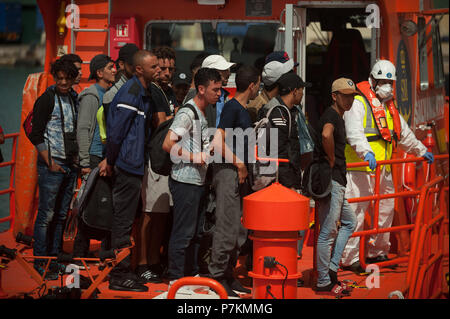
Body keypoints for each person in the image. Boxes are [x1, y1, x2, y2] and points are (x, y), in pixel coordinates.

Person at [341, 60, 434, 273]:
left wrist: (421, 151)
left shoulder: (389, 108)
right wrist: (367, 153)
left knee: (385, 211)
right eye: (383, 81)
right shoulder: (358, 103)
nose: (388, 86)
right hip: (360, 168)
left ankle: (378, 252)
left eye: (390, 82)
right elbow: (354, 132)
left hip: (384, 169)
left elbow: (403, 135)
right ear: (373, 81)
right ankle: (350, 258)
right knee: (355, 212)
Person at [101, 50, 161, 292]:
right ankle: (119, 274)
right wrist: (110, 161)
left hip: (134, 164)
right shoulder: (132, 93)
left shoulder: (143, 93)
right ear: (139, 69)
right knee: (123, 222)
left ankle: (124, 270)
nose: (159, 69)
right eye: (154, 66)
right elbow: (116, 132)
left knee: (126, 221)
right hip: (127, 165)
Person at [162, 68, 222, 289]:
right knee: (183, 233)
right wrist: (194, 156)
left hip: (197, 181)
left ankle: (191, 274)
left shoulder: (202, 111)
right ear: (201, 89)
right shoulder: (188, 113)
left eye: (220, 88)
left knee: (195, 232)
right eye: (215, 89)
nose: (219, 93)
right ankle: (176, 279)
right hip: (185, 181)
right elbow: (168, 144)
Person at [208, 65, 260, 297]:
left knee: (238, 228)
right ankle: (217, 277)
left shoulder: (240, 109)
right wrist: (239, 164)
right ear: (252, 85)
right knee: (227, 226)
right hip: (228, 172)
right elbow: (217, 143)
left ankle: (228, 275)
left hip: (239, 174)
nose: (260, 87)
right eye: (258, 84)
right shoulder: (232, 108)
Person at [28, 59, 79, 279]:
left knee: (59, 216)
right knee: (46, 216)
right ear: (54, 77)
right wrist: (49, 161)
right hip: (52, 166)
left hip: (69, 166)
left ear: (73, 78)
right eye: (59, 78)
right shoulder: (46, 99)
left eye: (67, 78)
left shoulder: (74, 99)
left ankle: (54, 258)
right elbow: (34, 132)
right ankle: (40, 261)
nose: (63, 82)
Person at [136, 46, 178, 284]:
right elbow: (161, 122)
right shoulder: (153, 91)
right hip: (155, 159)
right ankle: (142, 263)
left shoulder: (168, 92)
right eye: (161, 68)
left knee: (161, 214)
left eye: (170, 69)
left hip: (168, 161)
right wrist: (181, 115)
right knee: (149, 214)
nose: (166, 73)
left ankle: (154, 261)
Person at [314, 78, 357, 297]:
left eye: (352, 96)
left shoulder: (337, 116)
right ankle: (323, 281)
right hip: (333, 181)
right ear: (334, 96)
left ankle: (331, 269)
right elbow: (325, 134)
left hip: (336, 180)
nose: (349, 99)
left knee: (350, 222)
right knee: (327, 233)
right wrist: (331, 159)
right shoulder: (331, 116)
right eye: (345, 95)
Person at [72, 54, 116, 261]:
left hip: (105, 157)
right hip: (93, 156)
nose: (114, 70)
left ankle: (106, 253)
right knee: (88, 205)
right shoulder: (91, 96)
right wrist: (84, 162)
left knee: (107, 205)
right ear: (99, 73)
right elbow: (83, 128)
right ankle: (79, 253)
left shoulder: (110, 93)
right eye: (110, 67)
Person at [257, 72, 306, 190]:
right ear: (294, 91)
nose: (303, 94)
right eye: (301, 90)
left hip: (283, 178)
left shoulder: (287, 111)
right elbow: (278, 152)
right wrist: (289, 184)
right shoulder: (277, 112)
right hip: (279, 181)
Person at [247, 51, 298, 123]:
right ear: (279, 79)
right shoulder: (256, 109)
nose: (292, 77)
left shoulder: (284, 104)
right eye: (289, 73)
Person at [201, 54, 235, 128]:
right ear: (211, 72)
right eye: (224, 70)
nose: (229, 73)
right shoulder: (198, 95)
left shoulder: (224, 96)